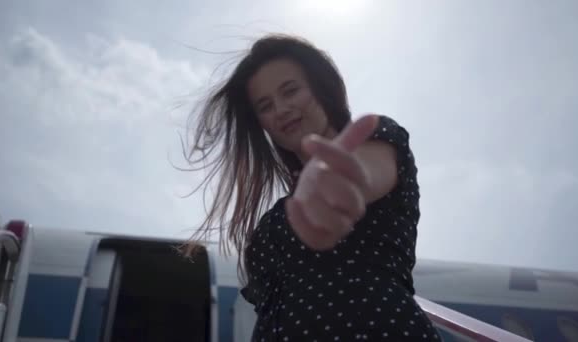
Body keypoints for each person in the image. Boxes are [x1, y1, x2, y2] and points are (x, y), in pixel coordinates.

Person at [182, 34, 442, 341]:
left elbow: (363, 173)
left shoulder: (377, 139)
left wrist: (332, 185)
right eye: (265, 106)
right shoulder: (276, 216)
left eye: (290, 91)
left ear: (321, 87)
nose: (280, 109)